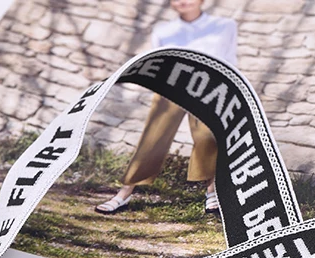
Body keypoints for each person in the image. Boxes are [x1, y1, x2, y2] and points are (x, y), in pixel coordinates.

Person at [96, 0, 238, 215]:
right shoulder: (164, 31)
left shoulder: (224, 26)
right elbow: (159, 63)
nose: (183, 1)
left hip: (208, 89)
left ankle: (212, 192)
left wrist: (231, 89)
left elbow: (229, 59)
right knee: (152, 139)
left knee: (207, 138)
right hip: (172, 88)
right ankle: (123, 194)